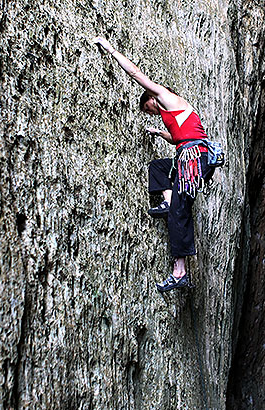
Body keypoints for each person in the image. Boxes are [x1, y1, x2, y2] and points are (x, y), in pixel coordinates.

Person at [92, 36, 214, 292]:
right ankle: (168, 200)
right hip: (191, 155)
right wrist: (160, 134)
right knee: (158, 168)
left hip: (194, 159)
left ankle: (179, 272)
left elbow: (137, 74)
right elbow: (182, 138)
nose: (151, 112)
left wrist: (111, 49)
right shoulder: (176, 115)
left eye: (148, 108)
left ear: (151, 98)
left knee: (179, 212)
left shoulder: (166, 97)